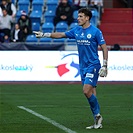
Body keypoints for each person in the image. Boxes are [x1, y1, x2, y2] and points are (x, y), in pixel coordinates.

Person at [33, 8, 108, 129]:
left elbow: (104, 47)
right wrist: (44, 34)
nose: (78, 19)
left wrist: (105, 65)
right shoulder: (77, 30)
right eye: (78, 16)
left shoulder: (95, 32)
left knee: (86, 91)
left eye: (81, 16)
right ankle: (97, 120)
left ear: (87, 18)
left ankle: (98, 115)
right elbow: (61, 35)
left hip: (93, 65)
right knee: (91, 92)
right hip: (82, 66)